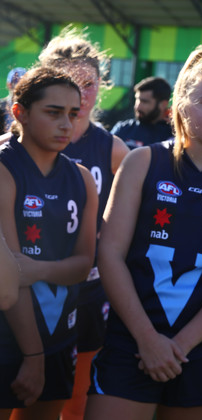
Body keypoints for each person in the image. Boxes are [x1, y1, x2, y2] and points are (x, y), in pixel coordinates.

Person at [84, 40, 202, 420]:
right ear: (180, 105)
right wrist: (148, 340)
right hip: (131, 341)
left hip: (198, 348)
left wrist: (178, 345)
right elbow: (110, 254)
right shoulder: (142, 163)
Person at [35, 27, 130, 420]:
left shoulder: (114, 150)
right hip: (28, 287)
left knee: (76, 398)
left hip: (87, 292)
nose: (80, 93)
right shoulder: (19, 144)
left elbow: (125, 230)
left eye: (89, 83)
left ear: (101, 87)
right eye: (70, 82)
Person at [0, 66, 98, 420]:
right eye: (53, 113)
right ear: (19, 112)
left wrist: (34, 269)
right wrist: (32, 355)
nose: (66, 125)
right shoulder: (4, 168)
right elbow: (6, 281)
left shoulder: (82, 179)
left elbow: (83, 265)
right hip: (9, 336)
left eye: (72, 114)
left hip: (58, 334)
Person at [111, 76, 173, 149]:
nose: (137, 107)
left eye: (144, 102)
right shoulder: (123, 129)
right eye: (137, 100)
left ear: (163, 104)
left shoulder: (172, 135)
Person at [0, 67, 27, 134]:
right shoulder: (1, 106)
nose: (19, 86)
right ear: (9, 85)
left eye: (23, 82)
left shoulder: (32, 106)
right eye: (16, 81)